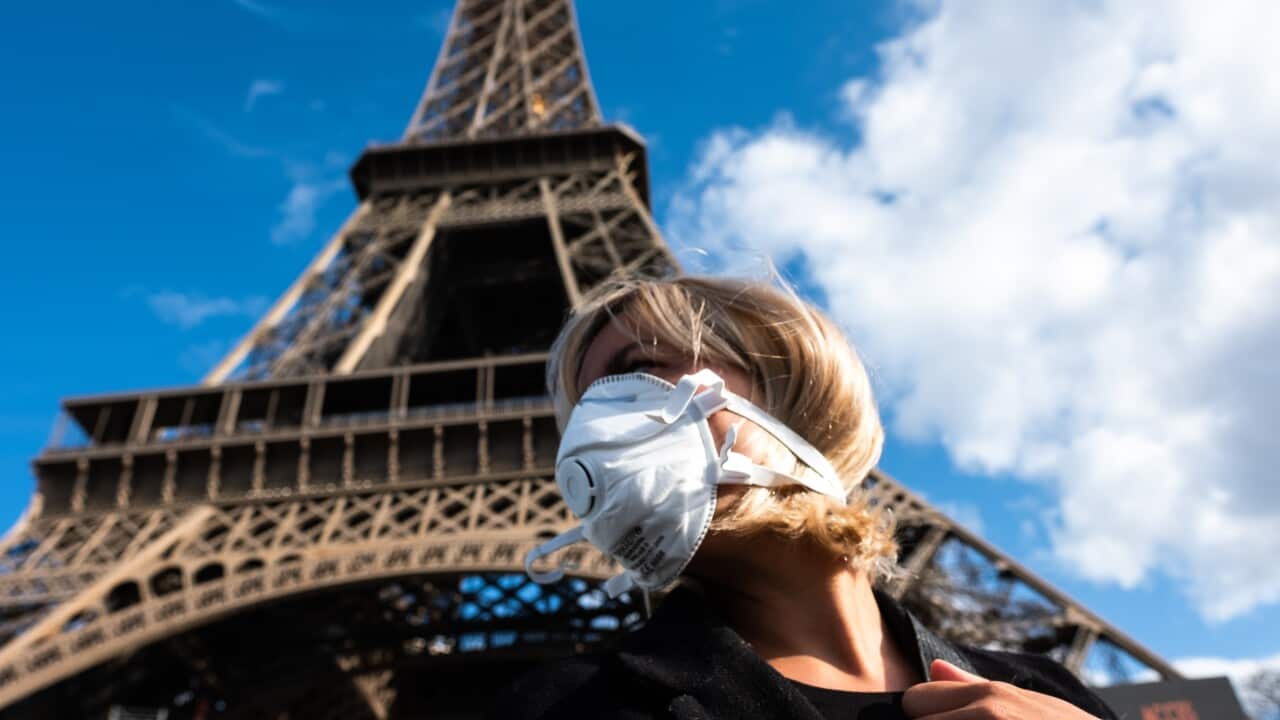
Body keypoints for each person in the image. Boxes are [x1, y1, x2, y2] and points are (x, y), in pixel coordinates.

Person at [494, 275, 1116, 720]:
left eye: (641, 371)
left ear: (784, 379)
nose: (601, 433)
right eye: (587, 410)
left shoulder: (1039, 691)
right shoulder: (567, 705)